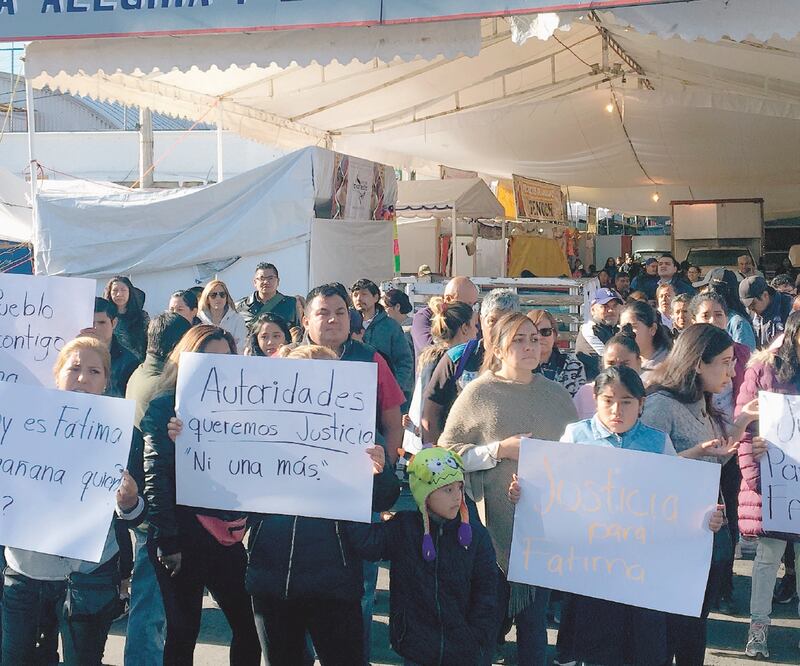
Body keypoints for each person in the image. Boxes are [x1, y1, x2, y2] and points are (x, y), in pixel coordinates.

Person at [510, 366, 726, 666]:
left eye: (626, 401)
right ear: (595, 399)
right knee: (595, 649)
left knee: (644, 650)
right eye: (608, 400)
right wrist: (524, 495)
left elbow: (677, 503)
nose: (616, 409)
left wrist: (707, 520)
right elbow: (550, 492)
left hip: (643, 575)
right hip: (591, 572)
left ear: (641, 404)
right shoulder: (576, 436)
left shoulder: (657, 442)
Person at [244, 344, 398, 666]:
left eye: (325, 376)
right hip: (272, 579)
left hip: (334, 582)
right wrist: (189, 437)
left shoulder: (357, 427)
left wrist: (380, 471)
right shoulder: (258, 427)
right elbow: (226, 488)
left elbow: (385, 497)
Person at [439, 312, 578, 666]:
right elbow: (447, 453)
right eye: (519, 339)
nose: (531, 346)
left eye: (535, 338)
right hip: (488, 532)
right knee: (485, 625)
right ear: (497, 348)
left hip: (543, 532)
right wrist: (500, 450)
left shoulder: (557, 396)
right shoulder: (478, 392)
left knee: (534, 628)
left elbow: (577, 460)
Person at [2, 337, 145, 665]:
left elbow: (136, 517)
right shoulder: (20, 422)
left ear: (106, 380)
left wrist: (129, 501)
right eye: (74, 368)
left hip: (90, 577)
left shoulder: (122, 432)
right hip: (26, 572)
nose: (83, 378)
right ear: (57, 373)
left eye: (94, 371)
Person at [141, 326, 261, 666]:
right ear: (187, 360)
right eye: (208, 358)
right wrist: (168, 541)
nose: (217, 366)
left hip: (227, 536)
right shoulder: (165, 406)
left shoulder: (242, 409)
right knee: (182, 632)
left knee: (249, 626)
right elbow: (155, 477)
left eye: (226, 359)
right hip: (182, 535)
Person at [640, 324, 760, 664]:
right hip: (668, 541)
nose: (732, 371)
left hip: (702, 536)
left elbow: (712, 454)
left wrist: (743, 425)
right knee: (670, 634)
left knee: (693, 629)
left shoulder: (698, 401)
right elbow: (643, 471)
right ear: (697, 364)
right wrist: (692, 455)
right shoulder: (662, 405)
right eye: (724, 362)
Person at [350, 447, 498, 666]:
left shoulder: (475, 535)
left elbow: (487, 590)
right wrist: (362, 488)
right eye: (447, 490)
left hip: (464, 651)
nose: (457, 497)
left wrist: (477, 636)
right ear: (424, 495)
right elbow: (367, 544)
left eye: (459, 487)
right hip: (416, 646)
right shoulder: (404, 528)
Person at [123, 312, 191, 666]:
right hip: (153, 509)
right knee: (151, 604)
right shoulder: (161, 389)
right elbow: (157, 461)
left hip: (145, 504)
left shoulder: (140, 372)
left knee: (149, 599)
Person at [735, 310, 800, 658]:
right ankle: (757, 630)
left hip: (787, 480)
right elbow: (741, 422)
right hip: (774, 481)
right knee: (767, 557)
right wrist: (756, 475)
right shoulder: (764, 369)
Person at [690, 291, 752, 613]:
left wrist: (744, 429)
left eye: (718, 314)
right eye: (706, 315)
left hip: (730, 446)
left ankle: (724, 587)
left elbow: (752, 389)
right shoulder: (684, 364)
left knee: (729, 518)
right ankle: (700, 587)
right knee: (701, 519)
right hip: (703, 447)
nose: (713, 320)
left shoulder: (742, 353)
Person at [420, 288, 520, 445]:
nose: (498, 328)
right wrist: (433, 454)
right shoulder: (457, 358)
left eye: (506, 322)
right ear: (481, 320)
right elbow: (431, 411)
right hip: (459, 457)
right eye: (492, 321)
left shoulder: (526, 362)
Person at [403, 299, 478, 455]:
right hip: (437, 445)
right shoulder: (442, 359)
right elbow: (429, 403)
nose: (477, 332)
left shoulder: (432, 356)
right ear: (464, 328)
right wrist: (431, 447)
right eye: (475, 325)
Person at [351, 278, 415, 401]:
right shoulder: (346, 325)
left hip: (385, 394)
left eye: (364, 294)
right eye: (355, 295)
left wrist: (395, 387)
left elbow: (405, 361)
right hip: (353, 393)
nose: (359, 299)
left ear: (376, 297)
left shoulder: (390, 326)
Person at [572, 329, 642, 420]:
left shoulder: (651, 393)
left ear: (639, 363)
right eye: (611, 364)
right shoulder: (585, 393)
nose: (617, 369)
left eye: (625, 364)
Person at [80, 297, 139, 398]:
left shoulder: (129, 362)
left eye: (102, 322)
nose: (95, 328)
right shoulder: (73, 356)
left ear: (114, 323)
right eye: (91, 323)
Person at [411, 276, 480, 360]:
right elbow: (430, 350)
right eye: (468, 304)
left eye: (473, 304)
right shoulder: (424, 316)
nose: (470, 309)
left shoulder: (471, 320)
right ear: (448, 299)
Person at [528, 309, 586, 397]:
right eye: (534, 333)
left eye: (545, 332)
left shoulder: (574, 366)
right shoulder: (518, 367)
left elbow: (579, 404)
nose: (539, 337)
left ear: (554, 335)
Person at [236, 262, 302, 331]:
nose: (266, 282)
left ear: (278, 281)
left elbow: (300, 332)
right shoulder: (240, 307)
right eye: (261, 278)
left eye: (270, 278)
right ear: (255, 282)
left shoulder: (292, 304)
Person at [575, 287, 622, 381]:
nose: (611, 310)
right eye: (605, 306)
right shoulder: (589, 330)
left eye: (614, 306)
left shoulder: (617, 329)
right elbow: (610, 363)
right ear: (593, 310)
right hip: (594, 387)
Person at [619, 300, 672, 382]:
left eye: (633, 326)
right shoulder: (620, 362)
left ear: (652, 329)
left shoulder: (669, 365)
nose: (626, 332)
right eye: (623, 328)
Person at [104, 276, 150, 361]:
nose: (119, 294)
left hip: (135, 363)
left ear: (130, 292)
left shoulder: (142, 316)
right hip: (111, 362)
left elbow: (149, 342)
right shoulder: (104, 316)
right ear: (109, 293)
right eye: (115, 290)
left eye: (123, 290)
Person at [739, 275, 793, 348]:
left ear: (765, 295)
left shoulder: (790, 307)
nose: (750, 308)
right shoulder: (749, 312)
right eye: (747, 305)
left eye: (753, 304)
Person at [197, 279, 248, 351]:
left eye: (222, 295)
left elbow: (240, 346)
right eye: (213, 295)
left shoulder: (237, 319)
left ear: (226, 298)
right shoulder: (199, 319)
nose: (218, 298)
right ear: (207, 299)